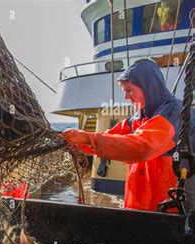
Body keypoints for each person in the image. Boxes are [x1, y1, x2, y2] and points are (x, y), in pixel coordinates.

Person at [62, 58, 194, 212]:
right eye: (124, 91)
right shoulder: (137, 119)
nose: (126, 97)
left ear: (148, 87)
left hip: (171, 210)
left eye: (130, 90)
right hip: (139, 209)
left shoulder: (174, 112)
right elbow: (109, 137)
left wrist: (86, 138)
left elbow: (143, 147)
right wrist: (78, 143)